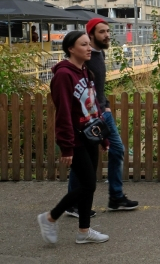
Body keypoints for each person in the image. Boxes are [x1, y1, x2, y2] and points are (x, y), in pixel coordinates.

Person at [37, 31, 109, 244]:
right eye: (84, 45)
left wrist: (102, 137)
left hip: (90, 135)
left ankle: (84, 231)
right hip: (75, 139)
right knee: (87, 184)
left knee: (90, 184)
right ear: (71, 48)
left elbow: (94, 106)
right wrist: (66, 146)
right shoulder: (63, 75)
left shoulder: (85, 71)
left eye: (89, 44)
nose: (89, 48)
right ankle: (50, 218)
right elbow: (63, 112)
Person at [65, 19, 138, 217]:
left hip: (100, 111)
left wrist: (104, 104)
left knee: (105, 153)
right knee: (94, 155)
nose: (107, 35)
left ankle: (113, 196)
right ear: (90, 35)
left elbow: (97, 86)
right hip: (92, 114)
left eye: (107, 31)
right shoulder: (85, 57)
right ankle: (104, 198)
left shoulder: (99, 53)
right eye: (102, 32)